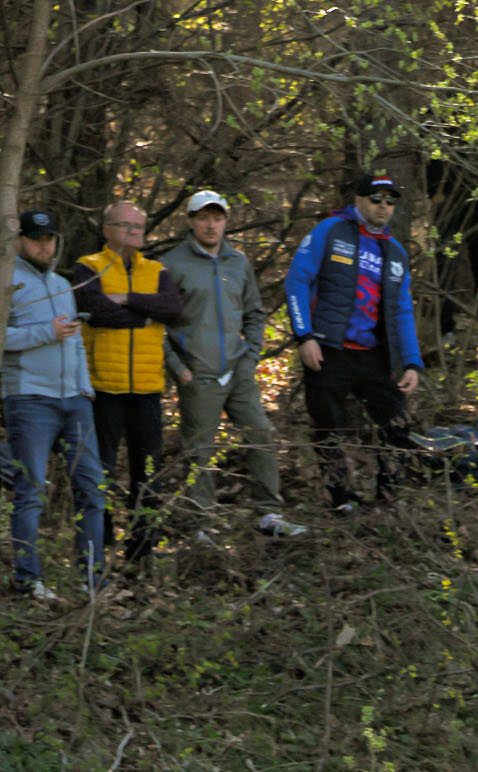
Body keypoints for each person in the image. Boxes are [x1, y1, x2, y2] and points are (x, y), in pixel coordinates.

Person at [159, 191, 302, 536]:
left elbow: (254, 312)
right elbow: (156, 326)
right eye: (203, 218)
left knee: (261, 433)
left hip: (238, 369)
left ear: (225, 221)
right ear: (191, 221)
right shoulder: (171, 264)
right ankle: (201, 525)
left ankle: (269, 514)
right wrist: (179, 369)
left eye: (217, 218)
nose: (211, 225)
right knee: (200, 450)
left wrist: (250, 356)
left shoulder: (237, 262)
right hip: (198, 373)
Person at [285, 172, 426, 512]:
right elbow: (297, 281)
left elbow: (402, 310)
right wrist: (304, 336)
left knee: (396, 424)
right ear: (359, 200)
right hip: (328, 349)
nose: (383, 207)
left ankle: (390, 499)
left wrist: (411, 362)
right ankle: (341, 500)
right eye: (376, 200)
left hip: (374, 355)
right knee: (328, 428)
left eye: (389, 201)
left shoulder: (395, 251)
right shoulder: (331, 230)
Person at [68, 201, 181, 558]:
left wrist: (127, 298)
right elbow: (95, 311)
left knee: (147, 471)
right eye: (125, 225)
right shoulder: (89, 266)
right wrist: (144, 316)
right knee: (99, 467)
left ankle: (141, 549)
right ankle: (98, 544)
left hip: (147, 388)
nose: (133, 232)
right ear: (107, 230)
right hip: (103, 386)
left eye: (138, 226)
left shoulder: (157, 270)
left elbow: (173, 309)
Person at [4, 210, 106, 600]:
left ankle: (91, 580)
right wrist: (47, 332)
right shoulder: (7, 281)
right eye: (35, 239)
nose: (43, 246)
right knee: (31, 491)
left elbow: (75, 342)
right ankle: (28, 580)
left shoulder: (63, 284)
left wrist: (85, 389)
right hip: (30, 398)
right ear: (19, 240)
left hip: (75, 401)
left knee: (92, 489)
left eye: (48, 239)